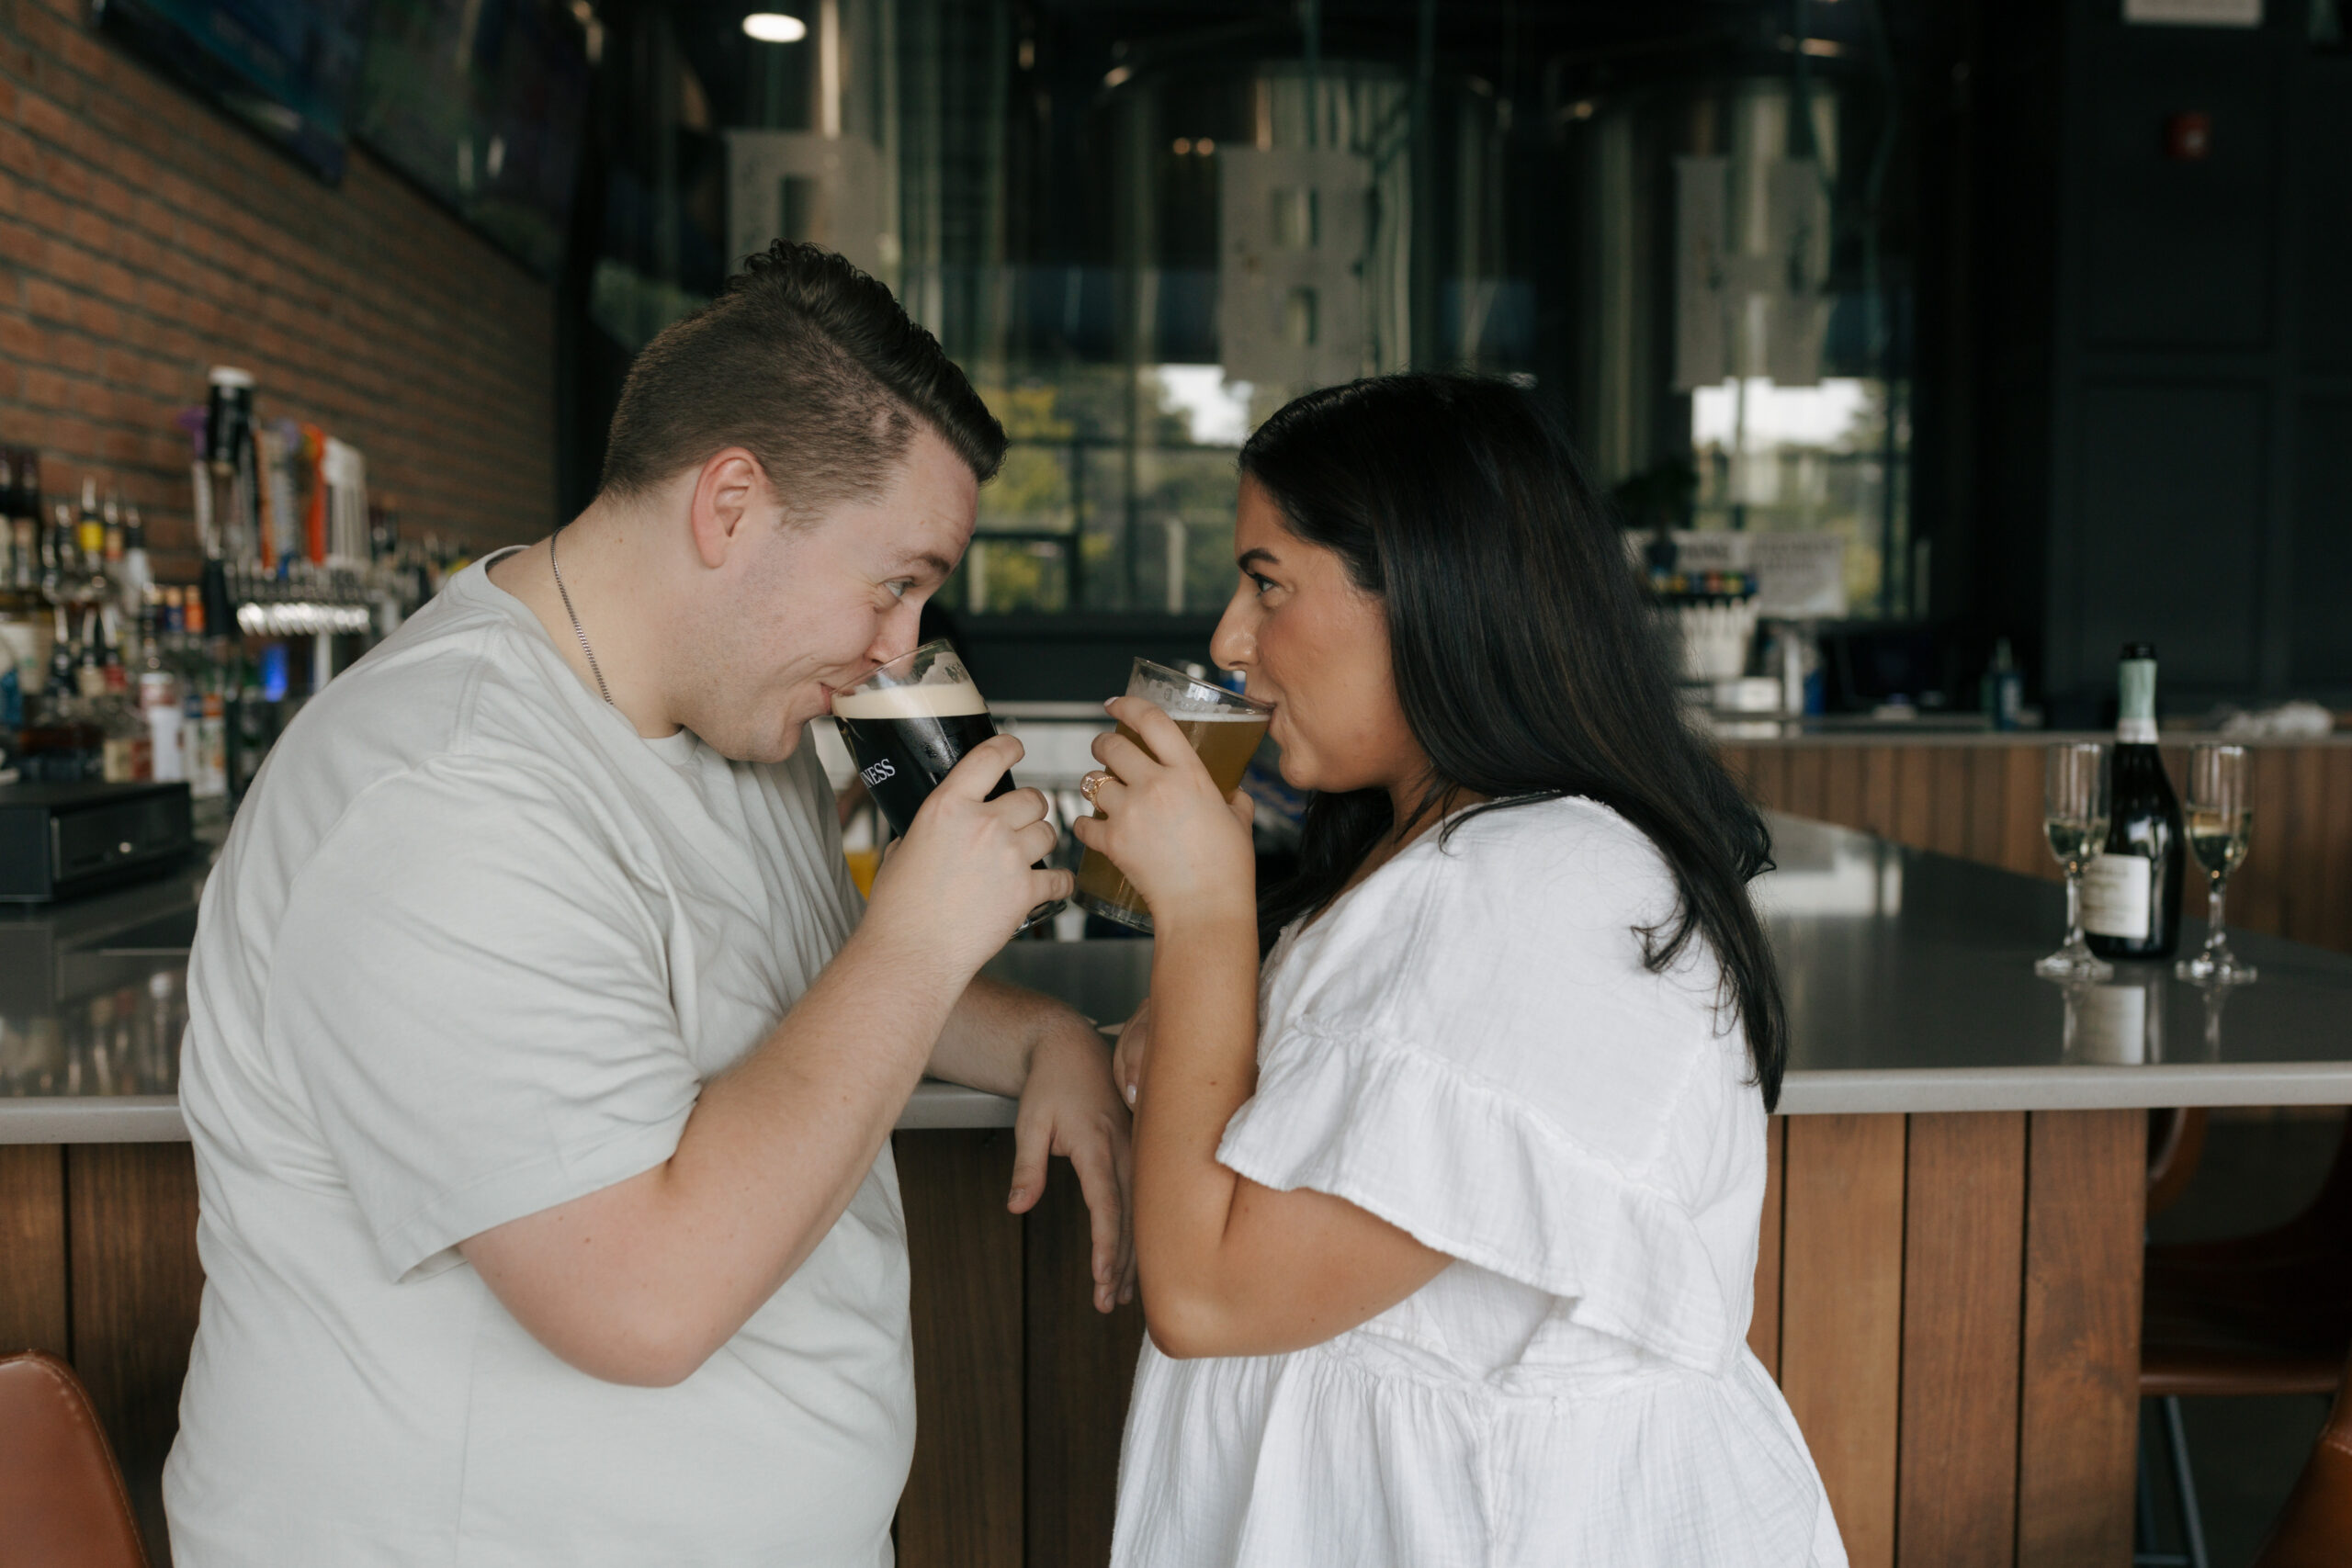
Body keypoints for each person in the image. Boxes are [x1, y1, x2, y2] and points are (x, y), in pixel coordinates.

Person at [164, 242, 1132, 1565]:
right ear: (730, 503)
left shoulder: (740, 726)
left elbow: (804, 1007)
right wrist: (920, 929)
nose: (903, 648)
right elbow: (641, 1302)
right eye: (894, 581)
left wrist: (1034, 1035)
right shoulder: (442, 798)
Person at [1077, 373, 1847, 1566]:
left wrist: (1205, 917)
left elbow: (1208, 1294)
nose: (1229, 639)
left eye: (1268, 582)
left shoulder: (1548, 891)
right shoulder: (1437, 856)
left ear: (1434, 594)